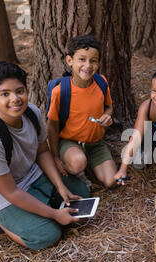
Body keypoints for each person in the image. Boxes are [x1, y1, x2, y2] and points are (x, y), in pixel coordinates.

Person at [0, 61, 90, 250]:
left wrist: (60, 185)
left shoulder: (31, 112)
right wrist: (55, 215)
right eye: (5, 94)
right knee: (47, 235)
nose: (15, 99)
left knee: (81, 194)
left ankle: (43, 204)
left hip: (28, 171)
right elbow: (11, 192)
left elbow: (42, 151)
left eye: (19, 91)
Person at [47, 35, 118, 188]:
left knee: (111, 182)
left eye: (93, 61)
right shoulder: (60, 92)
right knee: (78, 162)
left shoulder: (101, 82)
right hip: (69, 142)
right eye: (82, 59)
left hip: (95, 143)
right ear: (69, 60)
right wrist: (55, 156)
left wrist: (108, 115)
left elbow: (109, 106)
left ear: (98, 63)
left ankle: (90, 166)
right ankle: (80, 170)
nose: (87, 65)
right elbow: (52, 125)